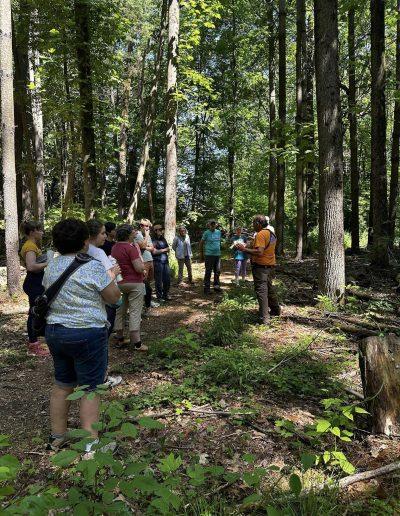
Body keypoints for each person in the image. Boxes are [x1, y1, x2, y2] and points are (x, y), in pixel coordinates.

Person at [43, 218, 121, 451]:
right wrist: (111, 277)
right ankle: (91, 444)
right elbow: (113, 297)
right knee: (90, 388)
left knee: (62, 384)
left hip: (55, 331)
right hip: (87, 332)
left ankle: (57, 437)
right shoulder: (93, 267)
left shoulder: (52, 266)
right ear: (85, 242)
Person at [236, 214, 280, 324]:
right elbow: (264, 248)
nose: (252, 226)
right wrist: (248, 246)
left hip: (261, 268)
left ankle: (264, 318)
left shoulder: (261, 234)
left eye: (253, 223)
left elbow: (260, 252)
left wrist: (243, 249)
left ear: (258, 223)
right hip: (270, 266)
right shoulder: (271, 233)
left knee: (262, 292)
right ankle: (276, 310)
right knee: (269, 289)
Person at [111, 224, 148, 351]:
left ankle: (119, 338)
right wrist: (144, 269)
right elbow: (138, 268)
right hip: (135, 283)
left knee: (120, 311)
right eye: (133, 231)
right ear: (128, 234)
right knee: (135, 312)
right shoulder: (130, 248)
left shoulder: (114, 247)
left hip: (120, 283)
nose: (135, 233)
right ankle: (137, 343)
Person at [20, 221, 50, 357]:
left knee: (37, 310)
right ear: (32, 232)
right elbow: (31, 266)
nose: (41, 232)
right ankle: (33, 344)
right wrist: (49, 263)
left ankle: (36, 339)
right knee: (34, 312)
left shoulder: (32, 245)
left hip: (36, 282)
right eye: (39, 230)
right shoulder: (30, 246)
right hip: (33, 282)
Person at [135, 218, 159, 310]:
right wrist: (146, 242)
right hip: (143, 261)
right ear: (141, 226)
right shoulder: (137, 234)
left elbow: (152, 248)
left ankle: (148, 301)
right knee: (143, 283)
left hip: (150, 259)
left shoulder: (147, 235)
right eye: (146, 226)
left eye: (149, 226)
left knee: (149, 282)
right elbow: (142, 246)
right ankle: (144, 305)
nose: (148, 228)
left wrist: (146, 245)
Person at [199, 219, 222, 294]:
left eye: (214, 224)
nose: (213, 225)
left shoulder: (218, 232)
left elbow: (218, 243)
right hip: (209, 255)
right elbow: (201, 243)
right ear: (209, 225)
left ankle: (216, 286)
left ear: (216, 225)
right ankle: (207, 289)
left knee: (217, 271)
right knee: (208, 271)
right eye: (211, 224)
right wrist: (201, 254)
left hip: (217, 255)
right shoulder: (206, 233)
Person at [152, 224, 171, 301]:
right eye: (159, 230)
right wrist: (164, 250)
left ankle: (165, 295)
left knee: (167, 279)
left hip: (165, 261)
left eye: (162, 229)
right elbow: (153, 252)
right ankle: (159, 297)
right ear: (155, 231)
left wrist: (160, 250)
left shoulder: (163, 238)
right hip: (157, 262)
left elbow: (168, 249)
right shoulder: (153, 239)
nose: (161, 231)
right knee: (158, 280)